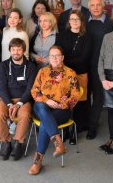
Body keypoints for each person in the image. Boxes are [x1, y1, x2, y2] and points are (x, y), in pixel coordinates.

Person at [28, 45, 80, 175]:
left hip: (62, 110)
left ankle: (37, 161)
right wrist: (47, 101)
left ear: (62, 57)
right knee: (40, 106)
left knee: (46, 123)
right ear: (48, 57)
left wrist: (61, 104)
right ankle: (58, 144)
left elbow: (75, 95)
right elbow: (34, 92)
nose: (55, 58)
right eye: (52, 55)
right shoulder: (42, 72)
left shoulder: (70, 73)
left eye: (57, 55)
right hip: (43, 107)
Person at [0, 38, 37, 161]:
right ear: (10, 50)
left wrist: (18, 104)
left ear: (23, 50)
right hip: (6, 99)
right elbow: (1, 88)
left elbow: (30, 89)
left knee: (24, 115)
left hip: (24, 99)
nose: (16, 52)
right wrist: (8, 104)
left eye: (19, 49)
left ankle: (18, 143)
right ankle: (6, 142)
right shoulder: (3, 66)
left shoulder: (31, 67)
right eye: (13, 49)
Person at [55, 10, 91, 143]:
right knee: (64, 101)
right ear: (68, 22)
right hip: (64, 75)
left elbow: (84, 58)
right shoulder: (61, 36)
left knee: (79, 104)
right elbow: (58, 55)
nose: (74, 21)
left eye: (77, 19)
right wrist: (63, 62)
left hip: (81, 74)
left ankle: (75, 131)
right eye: (72, 19)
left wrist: (65, 61)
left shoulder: (87, 36)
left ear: (81, 22)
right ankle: (64, 130)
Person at [86, 0, 113, 140]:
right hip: (85, 65)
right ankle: (83, 124)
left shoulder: (110, 24)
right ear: (89, 7)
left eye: (98, 5)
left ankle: (92, 127)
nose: (96, 8)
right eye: (93, 5)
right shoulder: (85, 22)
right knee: (83, 97)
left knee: (97, 98)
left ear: (103, 6)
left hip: (100, 67)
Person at [98, 6, 113, 155]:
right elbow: (101, 60)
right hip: (107, 78)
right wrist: (103, 80)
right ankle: (112, 138)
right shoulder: (107, 36)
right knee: (111, 111)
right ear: (112, 18)